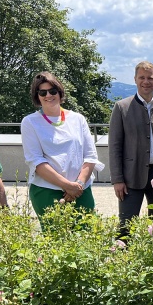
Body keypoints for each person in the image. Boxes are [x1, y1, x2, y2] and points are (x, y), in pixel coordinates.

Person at [21, 71, 104, 217]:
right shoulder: (30, 122)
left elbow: (90, 157)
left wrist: (77, 185)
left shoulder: (78, 119)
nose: (48, 95)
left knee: (87, 236)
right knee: (54, 237)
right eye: (42, 92)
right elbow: (36, 161)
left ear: (59, 92)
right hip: (47, 192)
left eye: (52, 91)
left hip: (81, 190)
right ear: (37, 96)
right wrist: (67, 186)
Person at [108, 61, 153, 233]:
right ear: (135, 79)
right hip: (131, 176)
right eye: (142, 78)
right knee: (126, 227)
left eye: (150, 78)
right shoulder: (122, 108)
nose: (146, 81)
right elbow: (115, 146)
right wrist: (117, 179)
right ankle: (124, 259)